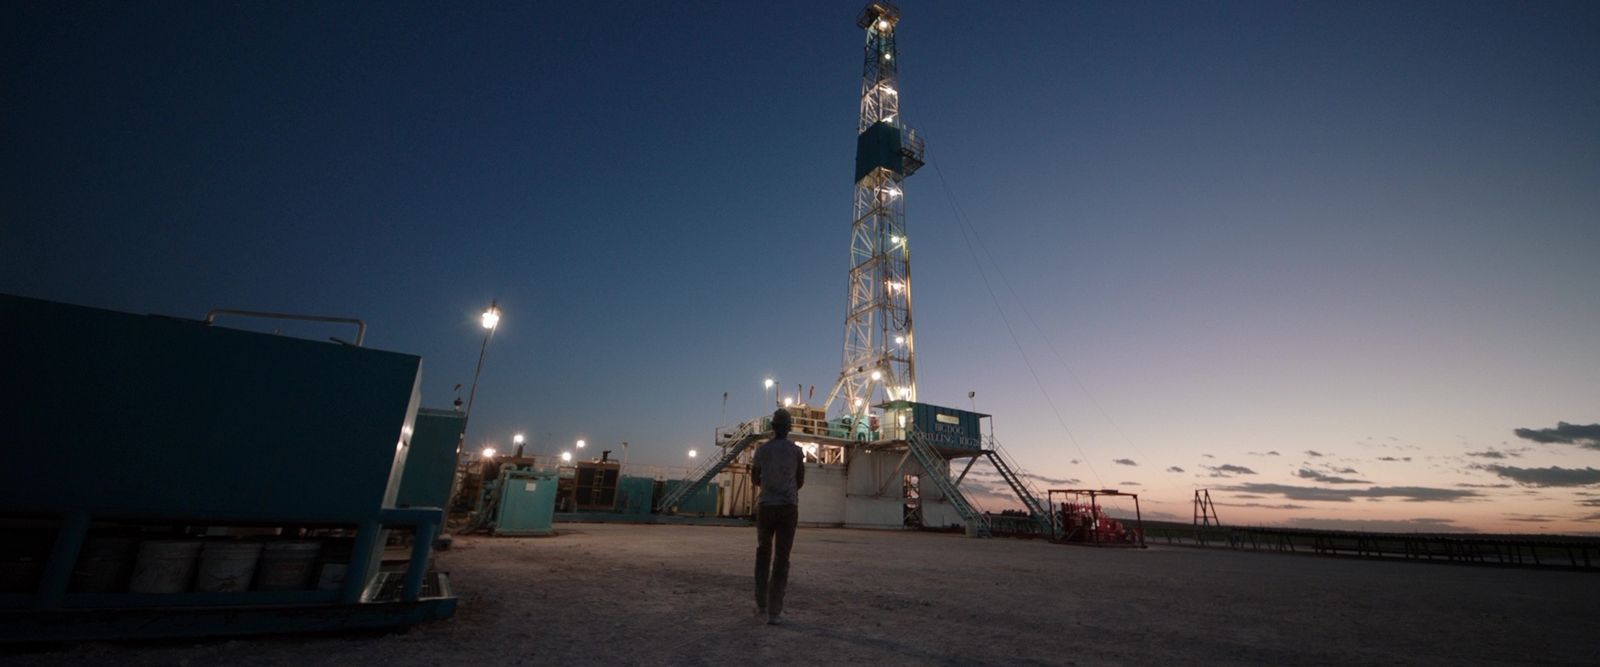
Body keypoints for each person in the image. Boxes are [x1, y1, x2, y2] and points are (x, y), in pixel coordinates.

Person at [751, 407, 804, 625]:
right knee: (782, 558)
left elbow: (755, 478)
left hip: (765, 507)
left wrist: (769, 487)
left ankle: (761, 603)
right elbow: (800, 480)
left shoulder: (762, 451)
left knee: (763, 553)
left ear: (772, 428)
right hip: (788, 508)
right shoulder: (796, 451)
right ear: (789, 429)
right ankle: (775, 611)